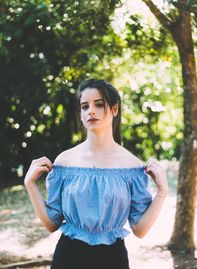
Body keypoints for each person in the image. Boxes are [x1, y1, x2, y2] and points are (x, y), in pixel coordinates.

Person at [24, 78, 168, 269]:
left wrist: (162, 192)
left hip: (112, 259)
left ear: (114, 109)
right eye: (85, 106)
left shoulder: (132, 165)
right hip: (68, 258)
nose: (90, 110)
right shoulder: (65, 161)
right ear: (81, 114)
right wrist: (30, 184)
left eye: (99, 104)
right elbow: (52, 224)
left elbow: (140, 230)